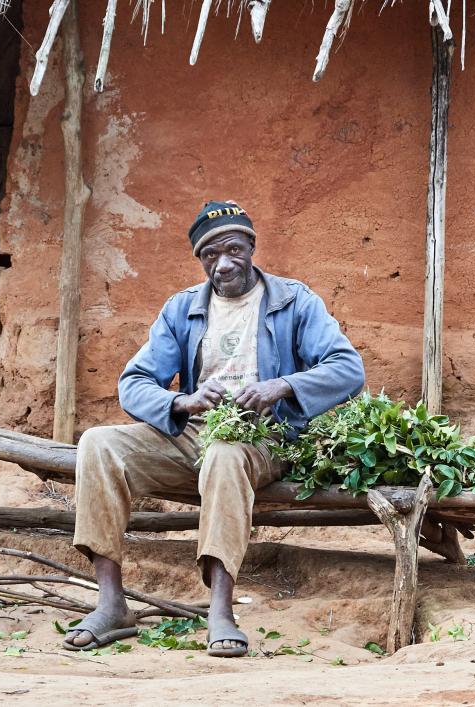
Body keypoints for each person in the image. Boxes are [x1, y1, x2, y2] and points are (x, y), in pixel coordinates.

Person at [62, 200, 365, 657]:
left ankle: (220, 609)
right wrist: (182, 401)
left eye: (233, 250)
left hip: (263, 438)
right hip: (189, 434)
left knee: (224, 452)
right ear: (201, 260)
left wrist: (280, 387)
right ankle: (111, 605)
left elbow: (348, 368)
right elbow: (133, 383)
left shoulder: (294, 300)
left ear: (251, 247)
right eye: (210, 256)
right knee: (98, 444)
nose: (223, 265)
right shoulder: (182, 308)